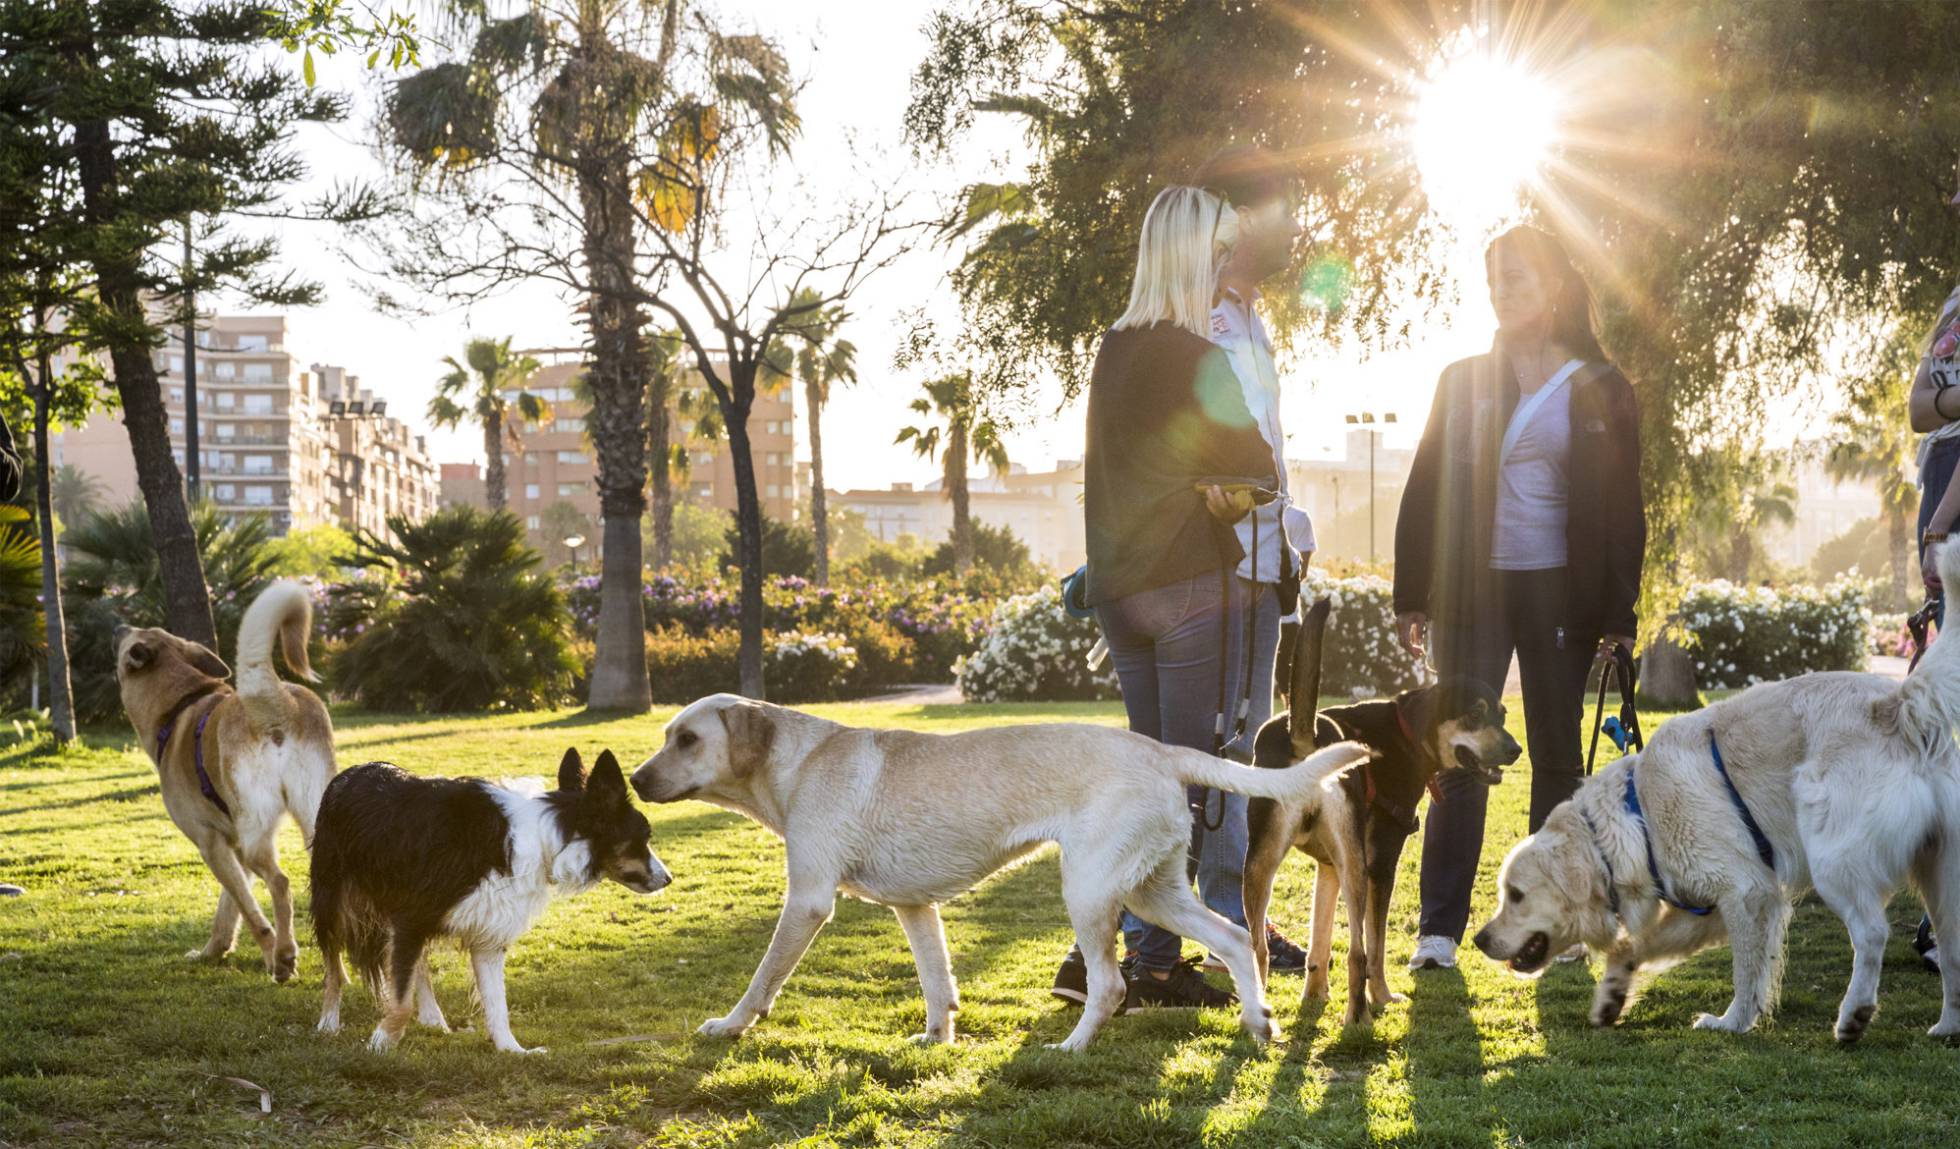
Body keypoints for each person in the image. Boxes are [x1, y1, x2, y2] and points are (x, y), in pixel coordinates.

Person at [1392, 224, 1645, 971]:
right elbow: (1425, 483)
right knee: (1458, 756)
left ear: (1555, 288)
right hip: (1473, 590)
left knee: (1560, 762)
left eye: (1519, 279)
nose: (1503, 292)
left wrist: (1619, 615)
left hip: (1562, 594)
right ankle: (1437, 929)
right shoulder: (1461, 378)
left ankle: (1550, 925)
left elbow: (1626, 510)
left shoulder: (1603, 387)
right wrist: (1412, 593)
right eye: (1495, 279)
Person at [1051, 185, 1276, 1009]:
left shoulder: (1111, 352)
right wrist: (1230, 489)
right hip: (1187, 589)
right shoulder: (1197, 358)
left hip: (1118, 590)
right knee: (1188, 780)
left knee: (1142, 779)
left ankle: (1112, 955)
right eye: (1217, 253)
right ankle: (1146, 962)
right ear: (1192, 256)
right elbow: (1261, 464)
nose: (1224, 266)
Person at [1185, 144, 1312, 974]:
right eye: (1278, 211)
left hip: (1265, 561)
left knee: (1237, 742)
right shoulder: (1209, 318)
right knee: (1225, 746)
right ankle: (1224, 917)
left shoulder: (1249, 315)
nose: (1291, 227)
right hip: (1228, 561)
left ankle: (1229, 912)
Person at [1902, 154, 1960, 974]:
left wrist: (1941, 532)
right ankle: (1945, 917)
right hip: (1943, 483)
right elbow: (1919, 406)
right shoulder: (1955, 300)